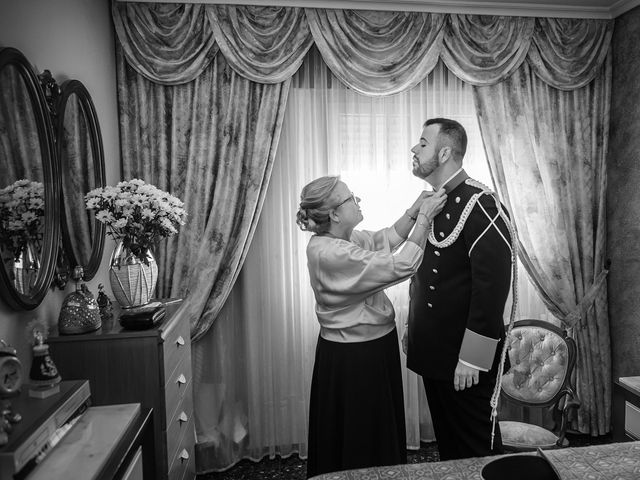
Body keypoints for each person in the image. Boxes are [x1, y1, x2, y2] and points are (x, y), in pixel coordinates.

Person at [297, 176, 446, 478]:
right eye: (350, 197)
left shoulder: (345, 239)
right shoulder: (330, 253)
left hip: (372, 348)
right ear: (335, 214)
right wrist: (426, 218)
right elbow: (401, 264)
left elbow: (386, 239)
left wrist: (414, 210)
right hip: (354, 357)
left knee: (374, 427)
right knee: (360, 433)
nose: (358, 200)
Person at [404, 118, 515, 461]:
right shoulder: (434, 201)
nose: (414, 148)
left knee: (476, 450)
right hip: (434, 351)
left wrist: (473, 357)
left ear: (446, 151)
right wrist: (413, 327)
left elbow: (492, 287)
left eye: (423, 143)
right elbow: (422, 276)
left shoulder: (480, 202)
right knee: (450, 450)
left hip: (463, 360)